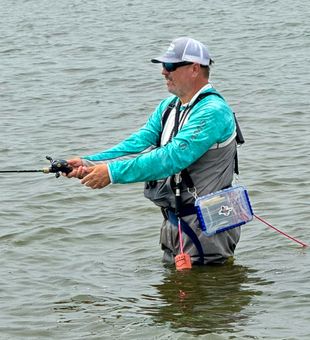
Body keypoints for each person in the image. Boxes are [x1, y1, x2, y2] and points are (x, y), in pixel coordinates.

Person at [66, 37, 241, 265]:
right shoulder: (169, 106)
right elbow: (138, 142)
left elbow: (171, 159)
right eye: (162, 66)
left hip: (206, 226)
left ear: (194, 69)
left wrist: (111, 173)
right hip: (176, 223)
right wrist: (88, 162)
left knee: (206, 294)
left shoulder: (213, 111)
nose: (163, 72)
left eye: (169, 66)